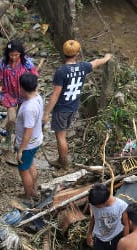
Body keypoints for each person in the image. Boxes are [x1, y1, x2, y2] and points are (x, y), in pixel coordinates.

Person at [43, 40, 112, 170]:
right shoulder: (83, 67)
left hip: (61, 108)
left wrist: (46, 113)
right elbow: (96, 62)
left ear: (64, 53)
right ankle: (61, 159)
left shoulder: (61, 71)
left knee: (60, 137)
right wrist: (106, 57)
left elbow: (55, 94)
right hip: (73, 107)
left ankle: (63, 163)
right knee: (63, 134)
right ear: (78, 54)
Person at [0, 39, 39, 148]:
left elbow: (34, 77)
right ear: (8, 54)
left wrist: (35, 94)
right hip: (9, 94)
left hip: (23, 94)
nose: (14, 58)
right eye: (11, 55)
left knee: (21, 120)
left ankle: (19, 141)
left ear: (20, 53)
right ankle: (7, 140)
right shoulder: (3, 62)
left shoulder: (26, 62)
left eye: (16, 55)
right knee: (11, 119)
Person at [15, 73, 43, 200]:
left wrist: (21, 150)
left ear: (21, 88)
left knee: (24, 170)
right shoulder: (37, 97)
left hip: (28, 144)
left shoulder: (28, 108)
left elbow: (28, 131)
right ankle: (34, 190)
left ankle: (28, 195)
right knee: (30, 164)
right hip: (36, 140)